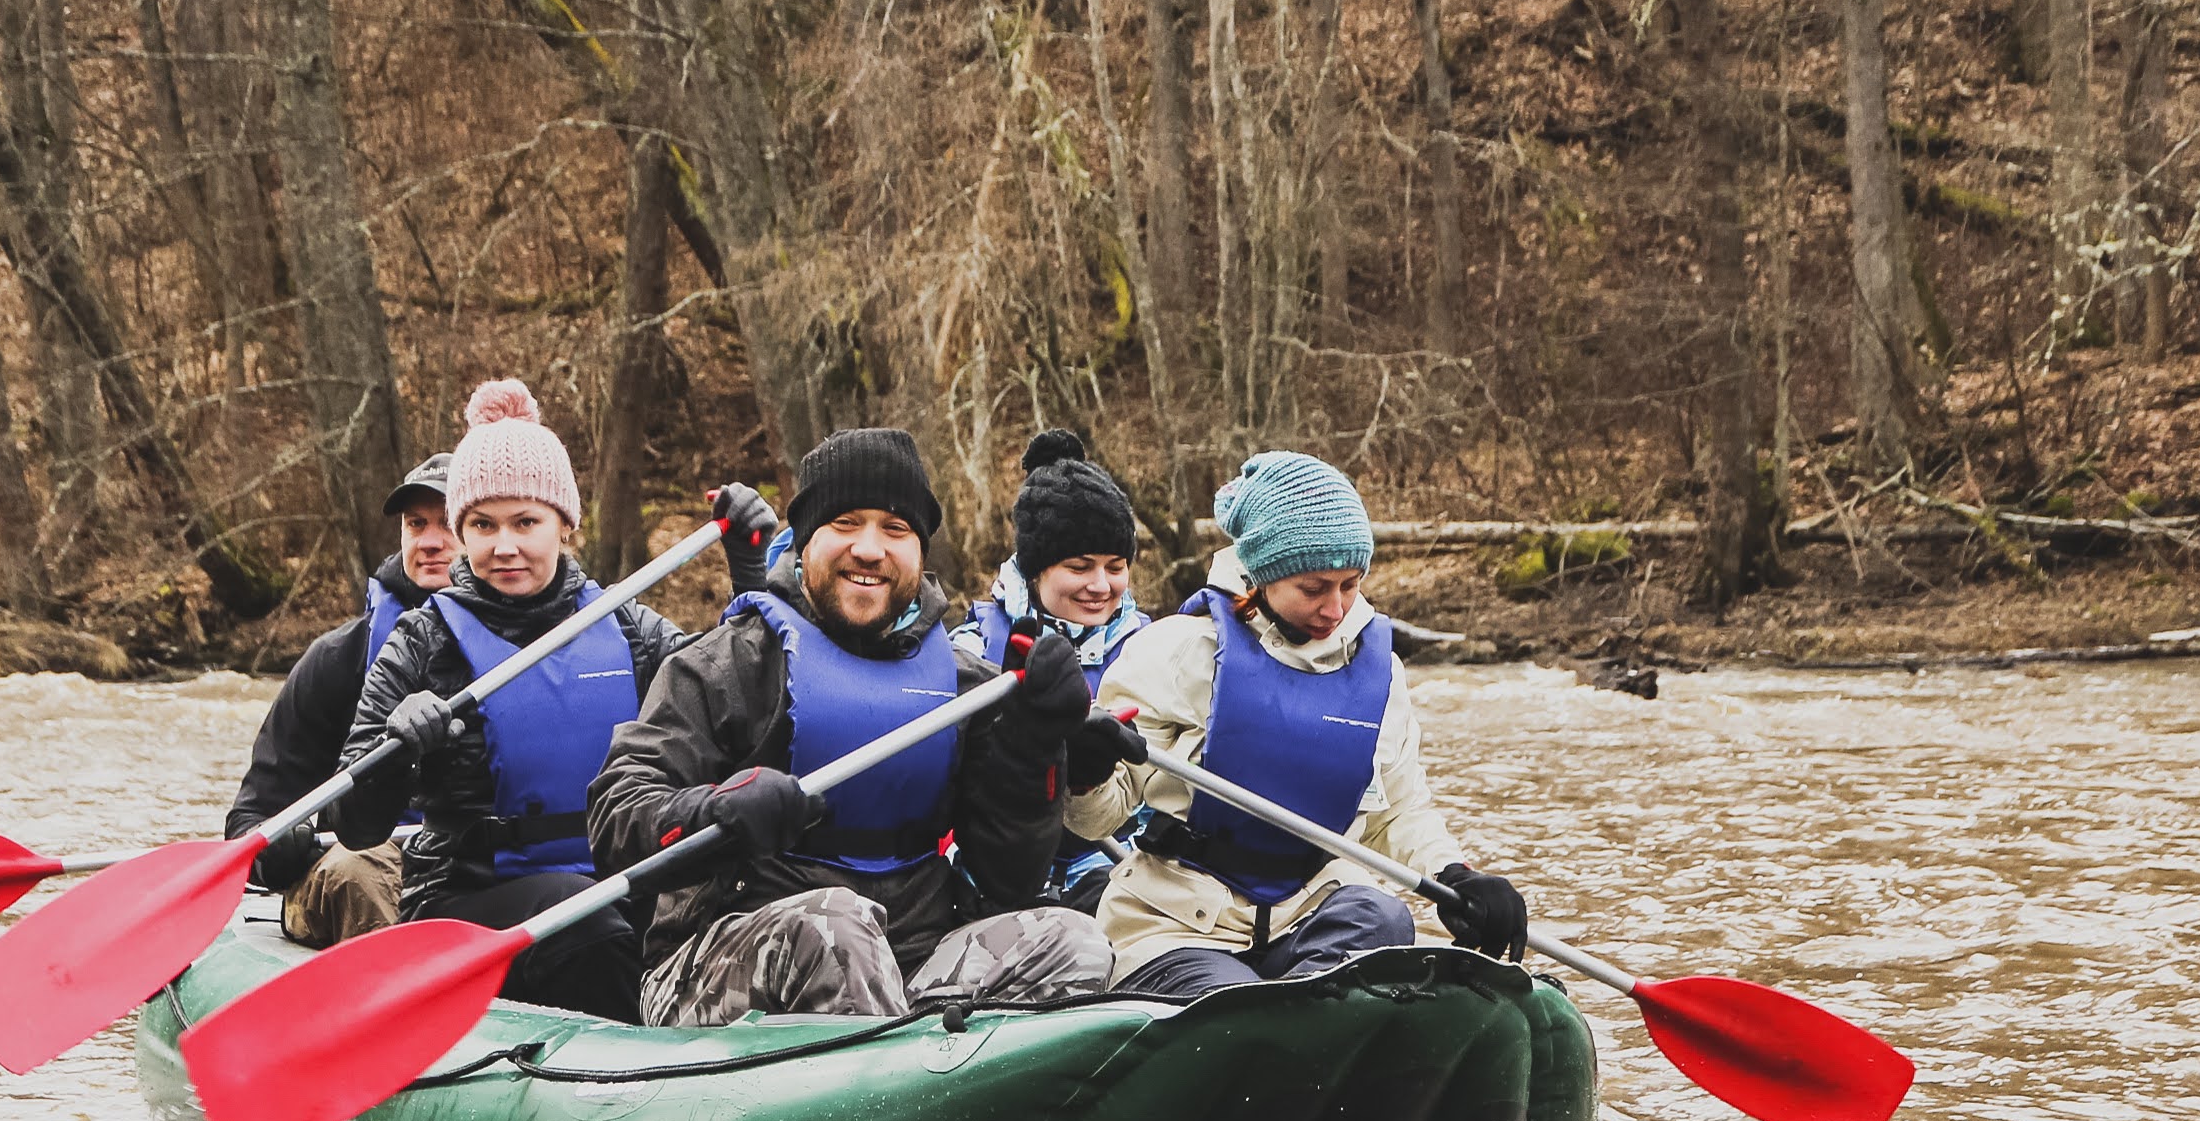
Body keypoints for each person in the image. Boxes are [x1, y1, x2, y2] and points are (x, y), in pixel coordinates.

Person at [590, 427, 1128, 1026]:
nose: (870, 549)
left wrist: (1035, 749)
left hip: (908, 962)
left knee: (1074, 942)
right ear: (805, 541)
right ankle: (900, 1086)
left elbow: (1009, 881)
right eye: (846, 523)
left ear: (920, 552)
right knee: (836, 927)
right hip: (722, 960)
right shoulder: (726, 665)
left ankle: (947, 1079)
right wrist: (708, 811)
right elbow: (617, 813)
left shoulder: (965, 684)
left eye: (895, 530)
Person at [326, 381, 778, 1019]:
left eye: (525, 522)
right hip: (468, 903)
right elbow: (353, 824)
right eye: (482, 525)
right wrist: (397, 750)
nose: (503, 546)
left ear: (566, 525)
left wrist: (751, 575)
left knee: (682, 906)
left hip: (617, 891)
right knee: (588, 920)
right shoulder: (424, 639)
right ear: (461, 531)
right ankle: (636, 1073)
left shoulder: (629, 628)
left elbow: (740, 703)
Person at [1061, 451, 1527, 1000]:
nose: (1336, 608)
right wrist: (1084, 776)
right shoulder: (1175, 652)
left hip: (1312, 908)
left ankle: (1315, 1029)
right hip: (1179, 921)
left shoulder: (1380, 674)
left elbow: (1398, 810)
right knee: (1231, 999)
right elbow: (1098, 820)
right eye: (1314, 588)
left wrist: (1456, 876)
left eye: (1350, 585)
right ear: (1262, 574)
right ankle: (1274, 1027)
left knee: (1385, 919)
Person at [225, 449, 458, 947]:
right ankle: (400, 1008)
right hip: (358, 867)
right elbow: (249, 819)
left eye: (449, 523)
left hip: (470, 865)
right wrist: (274, 849)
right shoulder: (336, 660)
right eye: (416, 524)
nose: (431, 542)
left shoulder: (534, 646)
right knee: (359, 868)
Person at [953, 428, 1154, 909]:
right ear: (1036, 568)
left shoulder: (1153, 647)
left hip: (1120, 867)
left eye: (1115, 565)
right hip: (998, 871)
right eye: (1079, 566)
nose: (1101, 585)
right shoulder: (975, 645)